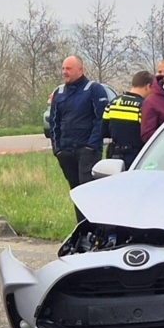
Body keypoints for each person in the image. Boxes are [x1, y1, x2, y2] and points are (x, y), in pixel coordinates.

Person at [49, 55, 109, 222]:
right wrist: (57, 149)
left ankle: (94, 229)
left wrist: (91, 147)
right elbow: (53, 122)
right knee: (76, 192)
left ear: (80, 70)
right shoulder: (59, 92)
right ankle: (81, 229)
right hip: (66, 152)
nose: (64, 72)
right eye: (63, 68)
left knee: (87, 192)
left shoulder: (94, 89)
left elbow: (101, 119)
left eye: (68, 69)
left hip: (87, 152)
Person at [101, 70, 154, 169]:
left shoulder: (113, 103)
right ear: (148, 86)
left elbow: (104, 131)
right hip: (135, 156)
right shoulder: (143, 106)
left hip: (113, 156)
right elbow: (146, 133)